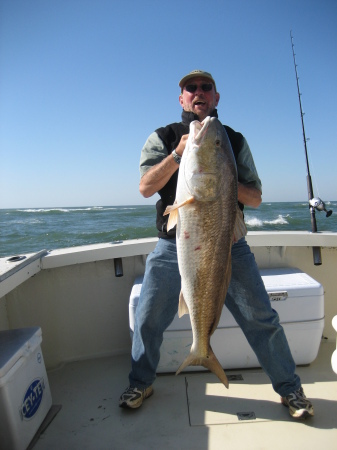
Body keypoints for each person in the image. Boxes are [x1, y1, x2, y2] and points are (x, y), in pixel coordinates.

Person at [119, 70, 314, 419]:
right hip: (173, 243)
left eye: (205, 87)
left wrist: (223, 177)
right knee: (147, 315)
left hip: (228, 242)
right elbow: (146, 187)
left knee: (261, 318)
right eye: (190, 88)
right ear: (181, 98)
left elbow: (254, 198)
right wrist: (180, 155)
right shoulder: (163, 137)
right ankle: (141, 381)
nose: (198, 92)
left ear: (216, 97)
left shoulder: (232, 140)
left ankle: (291, 389)